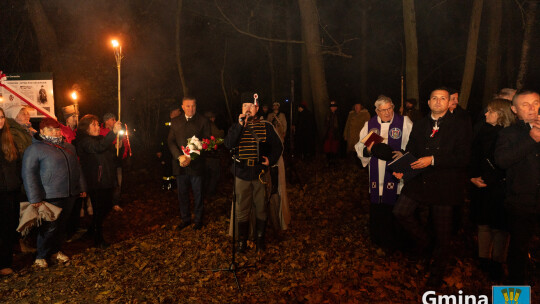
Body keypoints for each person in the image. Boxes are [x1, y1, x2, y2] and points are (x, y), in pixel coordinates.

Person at [392, 87, 471, 287]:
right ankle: (427, 243)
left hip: (445, 183)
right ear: (428, 103)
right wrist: (404, 167)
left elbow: (463, 157)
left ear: (449, 102)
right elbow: (411, 150)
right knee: (401, 212)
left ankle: (436, 275)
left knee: (443, 232)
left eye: (442, 98)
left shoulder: (460, 125)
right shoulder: (419, 124)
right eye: (434, 98)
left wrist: (433, 160)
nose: (437, 101)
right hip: (419, 180)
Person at [22, 118, 86, 267]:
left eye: (57, 129)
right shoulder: (35, 149)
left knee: (62, 226)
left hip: (69, 194)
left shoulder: (69, 147)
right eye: (50, 129)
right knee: (49, 227)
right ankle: (41, 256)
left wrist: (82, 187)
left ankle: (56, 251)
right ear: (42, 131)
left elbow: (78, 168)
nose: (55, 132)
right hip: (49, 195)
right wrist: (34, 197)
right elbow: (28, 173)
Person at [224, 95, 283, 252]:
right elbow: (228, 143)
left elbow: (278, 147)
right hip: (241, 174)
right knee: (241, 209)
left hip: (259, 174)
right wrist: (239, 126)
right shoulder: (236, 126)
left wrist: (270, 160)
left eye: (251, 105)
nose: (248, 108)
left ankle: (260, 240)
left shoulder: (266, 126)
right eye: (245, 106)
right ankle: (242, 242)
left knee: (261, 208)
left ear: (257, 108)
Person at [355, 95, 412, 251]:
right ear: (377, 111)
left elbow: (414, 145)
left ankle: (395, 242)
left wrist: (403, 153)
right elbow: (359, 148)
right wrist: (368, 150)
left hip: (395, 176)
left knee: (394, 208)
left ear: (393, 107)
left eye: (389, 109)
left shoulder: (404, 123)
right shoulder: (370, 125)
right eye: (383, 110)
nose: (387, 113)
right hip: (376, 174)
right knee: (378, 208)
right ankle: (378, 239)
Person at [494, 90, 540, 284]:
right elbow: (502, 161)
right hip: (521, 203)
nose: (532, 108)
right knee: (518, 252)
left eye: (536, 103)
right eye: (525, 104)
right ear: (514, 109)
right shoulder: (509, 133)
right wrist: (531, 139)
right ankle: (514, 297)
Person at [469, 98, 515, 281]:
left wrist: (494, 179)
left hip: (501, 188)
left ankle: (497, 262)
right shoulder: (481, 132)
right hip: (481, 185)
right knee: (483, 223)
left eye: (490, 111)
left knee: (500, 227)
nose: (486, 114)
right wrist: (471, 177)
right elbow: (473, 157)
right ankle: (483, 259)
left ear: (501, 115)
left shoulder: (510, 135)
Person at [75, 114, 122, 248]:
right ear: (86, 128)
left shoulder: (101, 138)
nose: (97, 127)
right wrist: (112, 133)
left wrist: (118, 146)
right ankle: (98, 239)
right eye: (94, 125)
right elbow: (98, 147)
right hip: (96, 182)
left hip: (107, 180)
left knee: (106, 207)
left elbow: (111, 153)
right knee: (99, 209)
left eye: (97, 124)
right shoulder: (84, 141)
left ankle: (91, 230)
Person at [168, 97, 210, 231]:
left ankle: (198, 220)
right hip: (180, 165)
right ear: (182, 107)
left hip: (196, 165)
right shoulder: (175, 122)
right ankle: (185, 219)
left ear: (196, 106)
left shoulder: (203, 121)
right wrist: (179, 156)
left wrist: (192, 156)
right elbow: (170, 141)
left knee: (198, 194)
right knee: (182, 194)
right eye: (187, 106)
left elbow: (206, 142)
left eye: (193, 106)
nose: (190, 109)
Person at [0, 108, 22, 276]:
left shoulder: (8, 140)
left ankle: (5, 261)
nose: (0, 120)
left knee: (9, 227)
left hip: (11, 192)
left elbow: (17, 165)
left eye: (1, 117)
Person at [100, 113, 130, 209]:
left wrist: (122, 151)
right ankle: (106, 203)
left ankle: (116, 203)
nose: (115, 122)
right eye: (113, 120)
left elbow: (124, 143)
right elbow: (102, 146)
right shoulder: (101, 132)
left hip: (117, 162)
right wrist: (113, 146)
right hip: (106, 164)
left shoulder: (119, 131)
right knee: (107, 183)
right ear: (107, 121)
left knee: (118, 183)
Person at [157, 107, 181, 190]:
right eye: (177, 111)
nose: (179, 113)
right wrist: (159, 150)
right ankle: (166, 185)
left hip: (176, 150)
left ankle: (173, 184)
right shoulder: (165, 122)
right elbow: (160, 136)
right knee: (166, 167)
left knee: (174, 167)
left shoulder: (180, 121)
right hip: (166, 149)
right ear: (173, 112)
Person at [203, 111, 224, 197]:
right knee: (214, 174)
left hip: (205, 155)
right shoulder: (211, 125)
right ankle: (210, 192)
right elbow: (218, 135)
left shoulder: (202, 125)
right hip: (212, 155)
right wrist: (222, 132)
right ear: (210, 118)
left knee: (207, 174)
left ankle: (205, 191)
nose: (214, 119)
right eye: (213, 117)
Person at [323, 101, 341, 166]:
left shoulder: (338, 114)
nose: (332, 108)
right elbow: (325, 124)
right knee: (328, 146)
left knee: (334, 147)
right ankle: (329, 160)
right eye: (331, 107)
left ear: (336, 107)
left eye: (334, 107)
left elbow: (339, 125)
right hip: (329, 132)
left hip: (335, 133)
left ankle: (334, 161)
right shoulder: (328, 114)